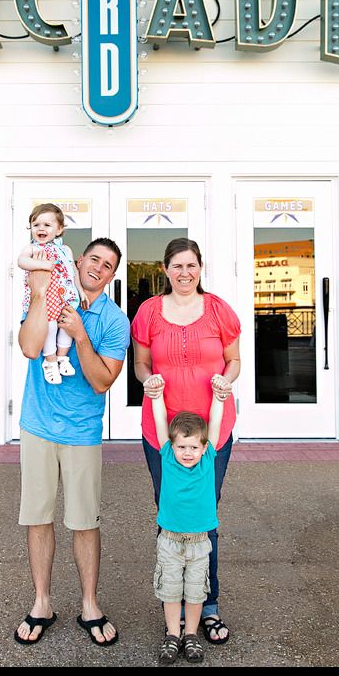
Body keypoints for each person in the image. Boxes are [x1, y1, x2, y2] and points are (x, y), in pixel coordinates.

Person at [15, 238, 130, 647]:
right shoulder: (45, 291)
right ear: (78, 261)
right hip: (38, 425)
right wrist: (42, 292)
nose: (98, 267)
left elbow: (102, 382)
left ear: (113, 275)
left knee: (84, 521)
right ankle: (42, 602)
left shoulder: (115, 321)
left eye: (108, 265)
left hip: (82, 431)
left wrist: (80, 335)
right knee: (38, 516)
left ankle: (89, 605)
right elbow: (30, 347)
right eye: (94, 259)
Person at [131, 237, 241, 646]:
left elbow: (235, 359)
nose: (184, 273)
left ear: (200, 267)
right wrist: (149, 382)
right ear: (165, 270)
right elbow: (141, 363)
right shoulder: (148, 312)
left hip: (212, 431)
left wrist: (226, 382)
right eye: (177, 266)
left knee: (204, 515)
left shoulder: (218, 310)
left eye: (191, 265)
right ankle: (172, 605)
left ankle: (207, 605)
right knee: (170, 512)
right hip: (162, 432)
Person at [147, 373, 224, 664]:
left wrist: (218, 398)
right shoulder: (167, 456)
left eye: (193, 447)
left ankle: (190, 634)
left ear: (204, 448)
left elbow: (214, 425)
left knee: (194, 592)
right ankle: (172, 634)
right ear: (172, 445)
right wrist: (157, 395)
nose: (187, 452)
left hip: (199, 542)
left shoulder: (207, 459)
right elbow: (159, 422)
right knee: (170, 590)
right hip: (169, 540)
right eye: (182, 446)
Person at [18, 203, 88, 385]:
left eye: (47, 225)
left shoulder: (65, 250)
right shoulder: (33, 249)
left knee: (65, 326)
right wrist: (43, 265)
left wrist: (80, 291)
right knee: (49, 328)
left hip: (64, 296)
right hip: (46, 298)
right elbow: (22, 261)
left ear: (59, 230)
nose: (41, 229)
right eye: (36, 225)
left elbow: (72, 272)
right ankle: (49, 362)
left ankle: (62, 358)